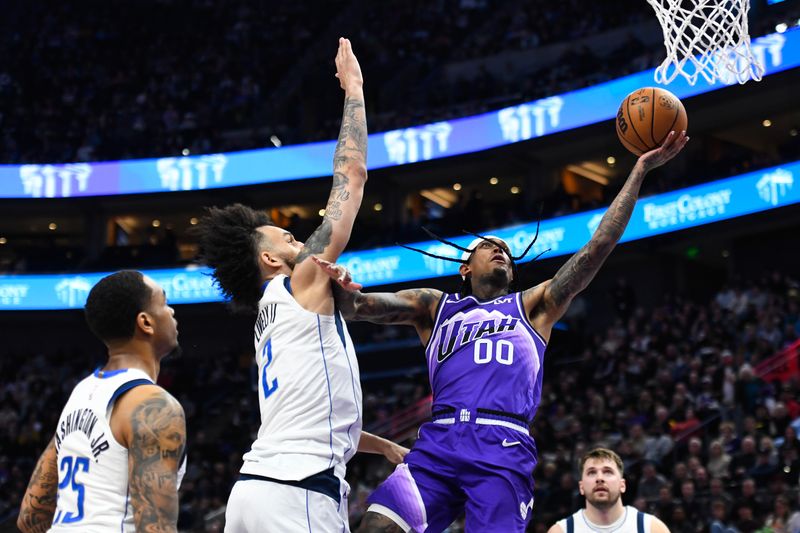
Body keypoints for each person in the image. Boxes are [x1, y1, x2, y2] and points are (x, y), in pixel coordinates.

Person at [314, 130, 689, 532]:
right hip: (439, 441)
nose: (500, 251)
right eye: (488, 246)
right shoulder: (434, 307)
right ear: (465, 267)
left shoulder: (533, 306)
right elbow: (360, 306)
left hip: (503, 444)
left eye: (506, 252)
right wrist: (341, 284)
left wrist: (639, 169)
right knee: (375, 528)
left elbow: (597, 247)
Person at [194, 38, 407, 533]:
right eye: (285, 236)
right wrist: (354, 89)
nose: (295, 236)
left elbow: (315, 415)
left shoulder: (274, 315)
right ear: (269, 258)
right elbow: (351, 178)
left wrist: (385, 446)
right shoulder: (300, 283)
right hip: (298, 495)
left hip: (255, 493)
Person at [17, 270, 186, 533]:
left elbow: (30, 517)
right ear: (146, 322)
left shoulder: (81, 393)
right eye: (164, 303)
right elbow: (156, 528)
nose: (172, 311)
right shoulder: (153, 405)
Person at [548, 448, 670, 533]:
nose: (599, 478)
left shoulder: (651, 528)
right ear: (581, 487)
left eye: (607, 472)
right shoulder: (561, 530)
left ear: (622, 485)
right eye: (591, 472)